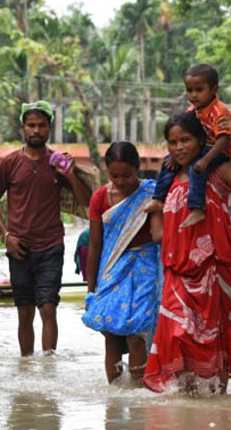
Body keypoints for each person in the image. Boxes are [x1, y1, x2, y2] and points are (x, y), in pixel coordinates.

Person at [143, 112, 231, 394]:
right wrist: (154, 211)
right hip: (176, 272)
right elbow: (159, 235)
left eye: (186, 140)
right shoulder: (167, 179)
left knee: (214, 336)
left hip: (215, 268)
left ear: (200, 141)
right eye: (173, 142)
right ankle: (185, 401)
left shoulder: (215, 172)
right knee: (177, 335)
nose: (179, 147)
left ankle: (218, 403)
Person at [0, 100, 92, 356]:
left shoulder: (58, 163)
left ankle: (48, 368)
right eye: (31, 125)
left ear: (49, 129)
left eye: (42, 126)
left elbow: (87, 201)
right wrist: (6, 236)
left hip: (51, 245)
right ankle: (26, 366)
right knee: (25, 312)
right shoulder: (10, 163)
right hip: (18, 247)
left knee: (48, 307)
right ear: (23, 128)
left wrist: (69, 175)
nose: (36, 130)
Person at [82, 142, 163, 385]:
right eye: (113, 175)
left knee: (136, 333)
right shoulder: (100, 199)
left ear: (137, 169)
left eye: (126, 175)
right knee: (111, 334)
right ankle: (115, 398)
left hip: (145, 270)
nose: (120, 181)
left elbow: (161, 235)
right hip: (112, 269)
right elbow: (95, 245)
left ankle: (139, 391)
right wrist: (91, 288)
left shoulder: (152, 193)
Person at [145, 63, 231, 230]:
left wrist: (205, 159)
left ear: (214, 89)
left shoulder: (220, 111)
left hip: (218, 150)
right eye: (189, 90)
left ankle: (197, 208)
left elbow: (224, 139)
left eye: (199, 90)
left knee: (196, 169)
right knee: (168, 161)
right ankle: (159, 199)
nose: (193, 95)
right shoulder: (194, 110)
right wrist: (176, 156)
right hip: (203, 147)